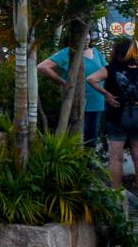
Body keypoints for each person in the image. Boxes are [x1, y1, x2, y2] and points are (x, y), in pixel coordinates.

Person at [38, 41, 115, 148]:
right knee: (77, 140)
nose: (86, 37)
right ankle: (79, 163)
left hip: (98, 103)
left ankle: (89, 162)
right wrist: (64, 83)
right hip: (77, 102)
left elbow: (109, 71)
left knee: (92, 140)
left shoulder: (96, 52)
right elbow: (42, 67)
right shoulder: (68, 52)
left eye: (88, 33)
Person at [105, 39, 138, 188]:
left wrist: (106, 94)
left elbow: (91, 79)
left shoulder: (111, 68)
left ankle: (116, 194)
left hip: (118, 116)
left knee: (116, 158)